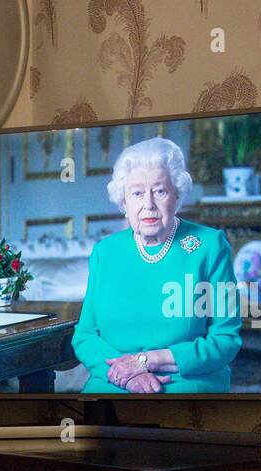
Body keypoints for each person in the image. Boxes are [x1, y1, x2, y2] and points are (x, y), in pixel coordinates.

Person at [71, 137, 243, 393]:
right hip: (114, 380)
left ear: (176, 195)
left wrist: (145, 361)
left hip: (185, 382)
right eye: (137, 193)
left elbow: (225, 339)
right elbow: (84, 336)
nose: (148, 204)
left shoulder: (208, 246)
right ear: (124, 202)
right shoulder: (105, 252)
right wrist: (128, 376)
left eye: (159, 191)